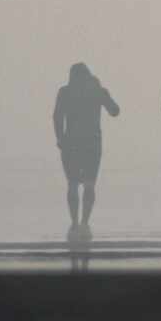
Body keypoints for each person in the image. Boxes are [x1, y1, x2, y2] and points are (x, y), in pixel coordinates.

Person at [53, 63, 120, 241]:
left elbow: (57, 116)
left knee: (73, 184)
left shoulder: (65, 92)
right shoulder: (96, 91)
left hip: (70, 144)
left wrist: (60, 138)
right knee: (89, 184)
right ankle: (84, 223)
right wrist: (102, 92)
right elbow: (115, 111)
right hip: (92, 144)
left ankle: (74, 224)